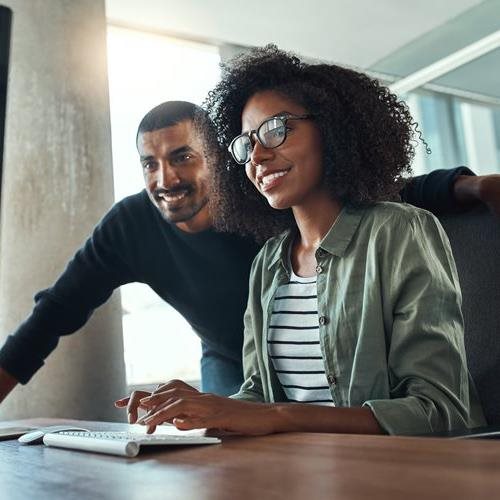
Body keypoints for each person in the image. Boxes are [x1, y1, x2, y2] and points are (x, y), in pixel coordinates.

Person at [0, 99, 498, 410]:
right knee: (224, 452)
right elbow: (53, 314)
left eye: (182, 157)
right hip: (232, 361)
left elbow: (377, 195)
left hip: (331, 358)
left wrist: (470, 186)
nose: (165, 179)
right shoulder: (129, 226)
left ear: (217, 159)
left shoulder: (267, 193)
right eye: (149, 164)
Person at [125, 46, 486, 436]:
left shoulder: (399, 232)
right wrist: (200, 407)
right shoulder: (268, 263)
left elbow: (439, 412)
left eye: (277, 130)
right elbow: (260, 398)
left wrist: (281, 416)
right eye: (246, 145)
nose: (258, 156)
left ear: (331, 128)